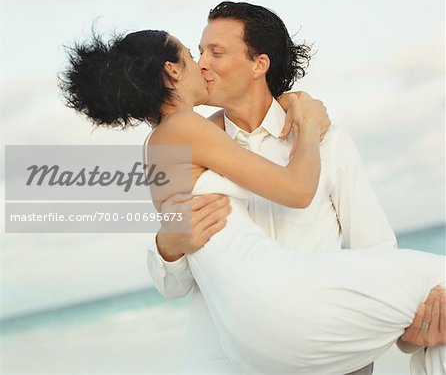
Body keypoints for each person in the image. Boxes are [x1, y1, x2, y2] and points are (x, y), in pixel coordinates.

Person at [60, 26, 445, 375]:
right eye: (194, 55)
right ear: (173, 71)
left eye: (215, 53)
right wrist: (308, 126)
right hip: (269, 319)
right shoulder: (187, 129)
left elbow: (377, 252)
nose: (203, 64)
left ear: (259, 64)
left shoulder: (160, 144)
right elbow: (295, 191)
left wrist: (414, 330)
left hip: (263, 336)